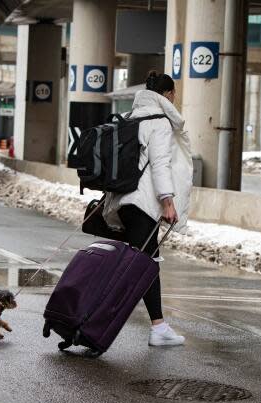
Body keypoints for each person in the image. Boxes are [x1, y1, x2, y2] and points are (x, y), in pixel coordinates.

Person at [103, 70, 193, 346]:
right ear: (169, 95)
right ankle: (149, 326)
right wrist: (168, 201)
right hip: (143, 203)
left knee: (143, 264)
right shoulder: (159, 122)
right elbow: (160, 164)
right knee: (145, 265)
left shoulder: (131, 118)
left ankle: (158, 326)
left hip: (124, 201)